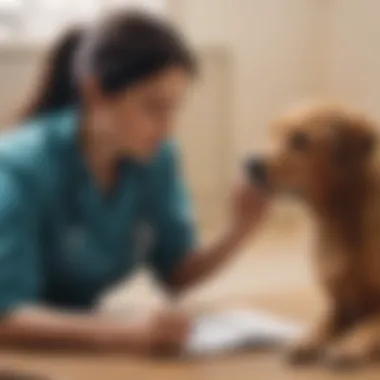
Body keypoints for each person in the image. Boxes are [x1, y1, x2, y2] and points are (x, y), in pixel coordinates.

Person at [0, 11, 267, 355]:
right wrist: (126, 334)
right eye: (154, 107)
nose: (168, 128)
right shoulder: (18, 167)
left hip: (71, 335)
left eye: (175, 109)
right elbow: (5, 316)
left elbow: (175, 273)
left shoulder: (155, 158)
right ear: (95, 92)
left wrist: (240, 228)